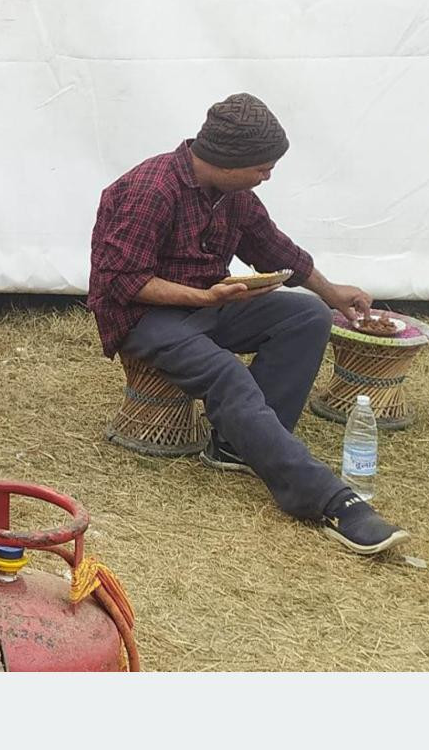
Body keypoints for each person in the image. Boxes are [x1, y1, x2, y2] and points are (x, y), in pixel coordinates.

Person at [87, 93, 409, 555]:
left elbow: (274, 248)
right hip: (143, 315)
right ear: (227, 159)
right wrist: (204, 297)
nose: (268, 176)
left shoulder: (234, 196)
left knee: (307, 315)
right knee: (227, 374)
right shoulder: (151, 190)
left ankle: (238, 447)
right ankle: (329, 500)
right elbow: (120, 280)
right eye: (262, 167)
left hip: (209, 302)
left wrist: (330, 292)